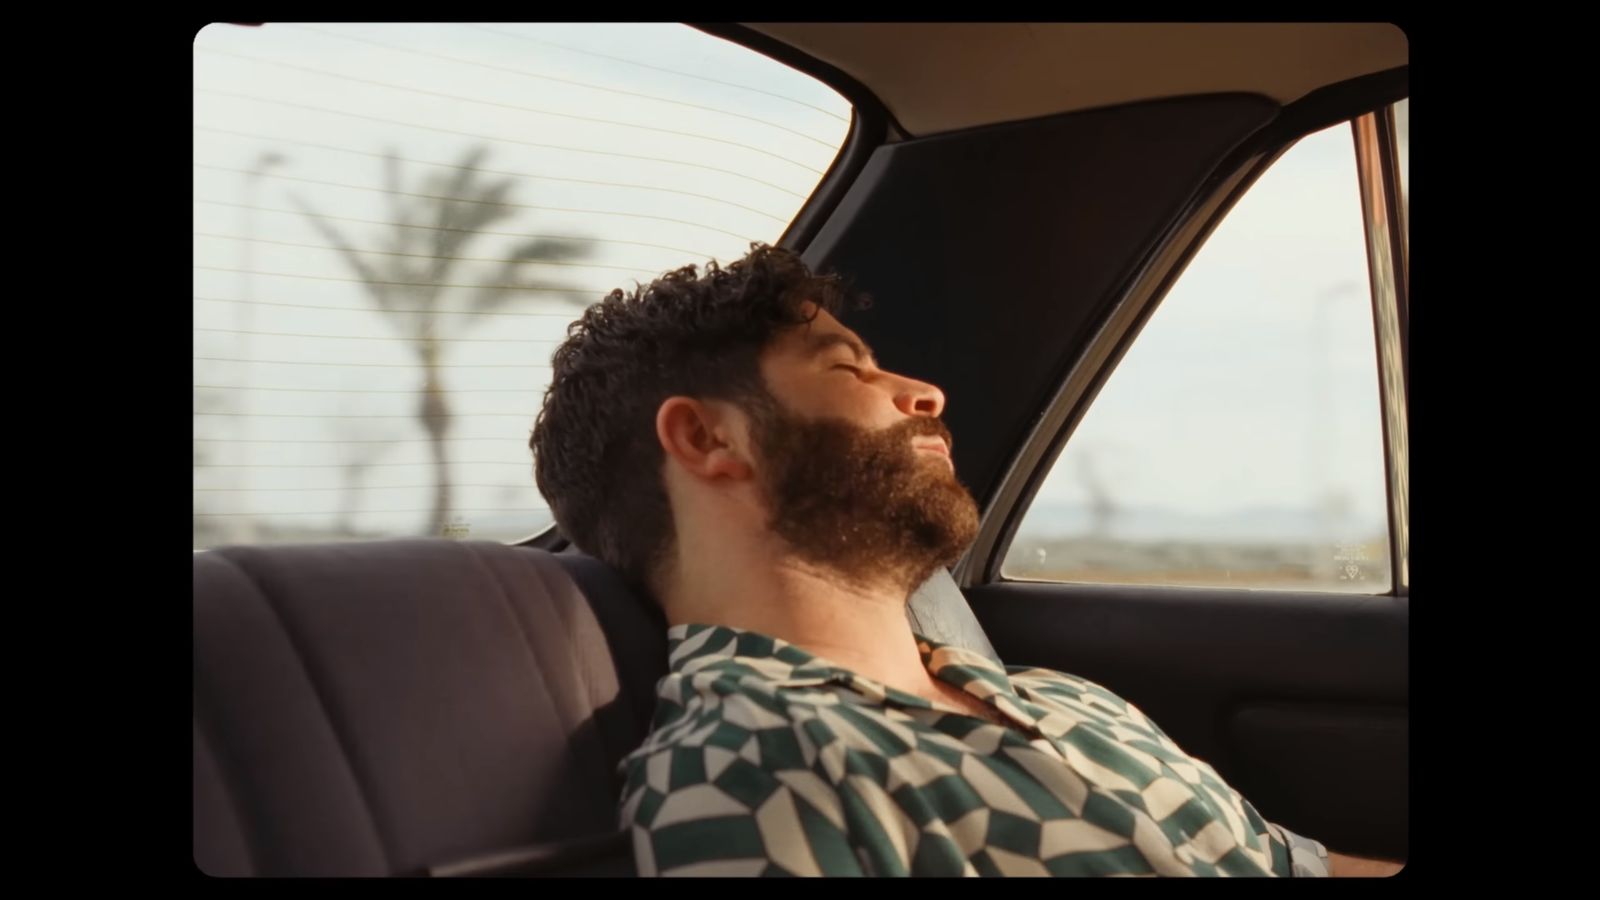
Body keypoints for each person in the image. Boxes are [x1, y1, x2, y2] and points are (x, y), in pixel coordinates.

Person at [529, 244, 1401, 877]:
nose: (924, 392)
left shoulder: (1073, 706)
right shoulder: (749, 770)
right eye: (847, 367)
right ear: (707, 437)